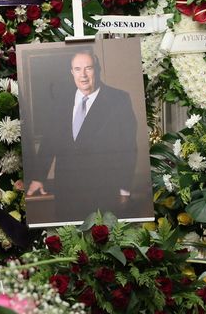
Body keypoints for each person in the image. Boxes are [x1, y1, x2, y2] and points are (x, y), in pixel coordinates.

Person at [26, 47, 137, 222]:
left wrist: (124, 190)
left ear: (97, 69)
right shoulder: (61, 100)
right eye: (78, 69)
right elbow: (50, 141)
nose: (83, 75)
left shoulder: (118, 100)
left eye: (88, 68)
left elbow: (128, 147)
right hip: (67, 194)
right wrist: (39, 178)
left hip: (103, 193)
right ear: (72, 72)